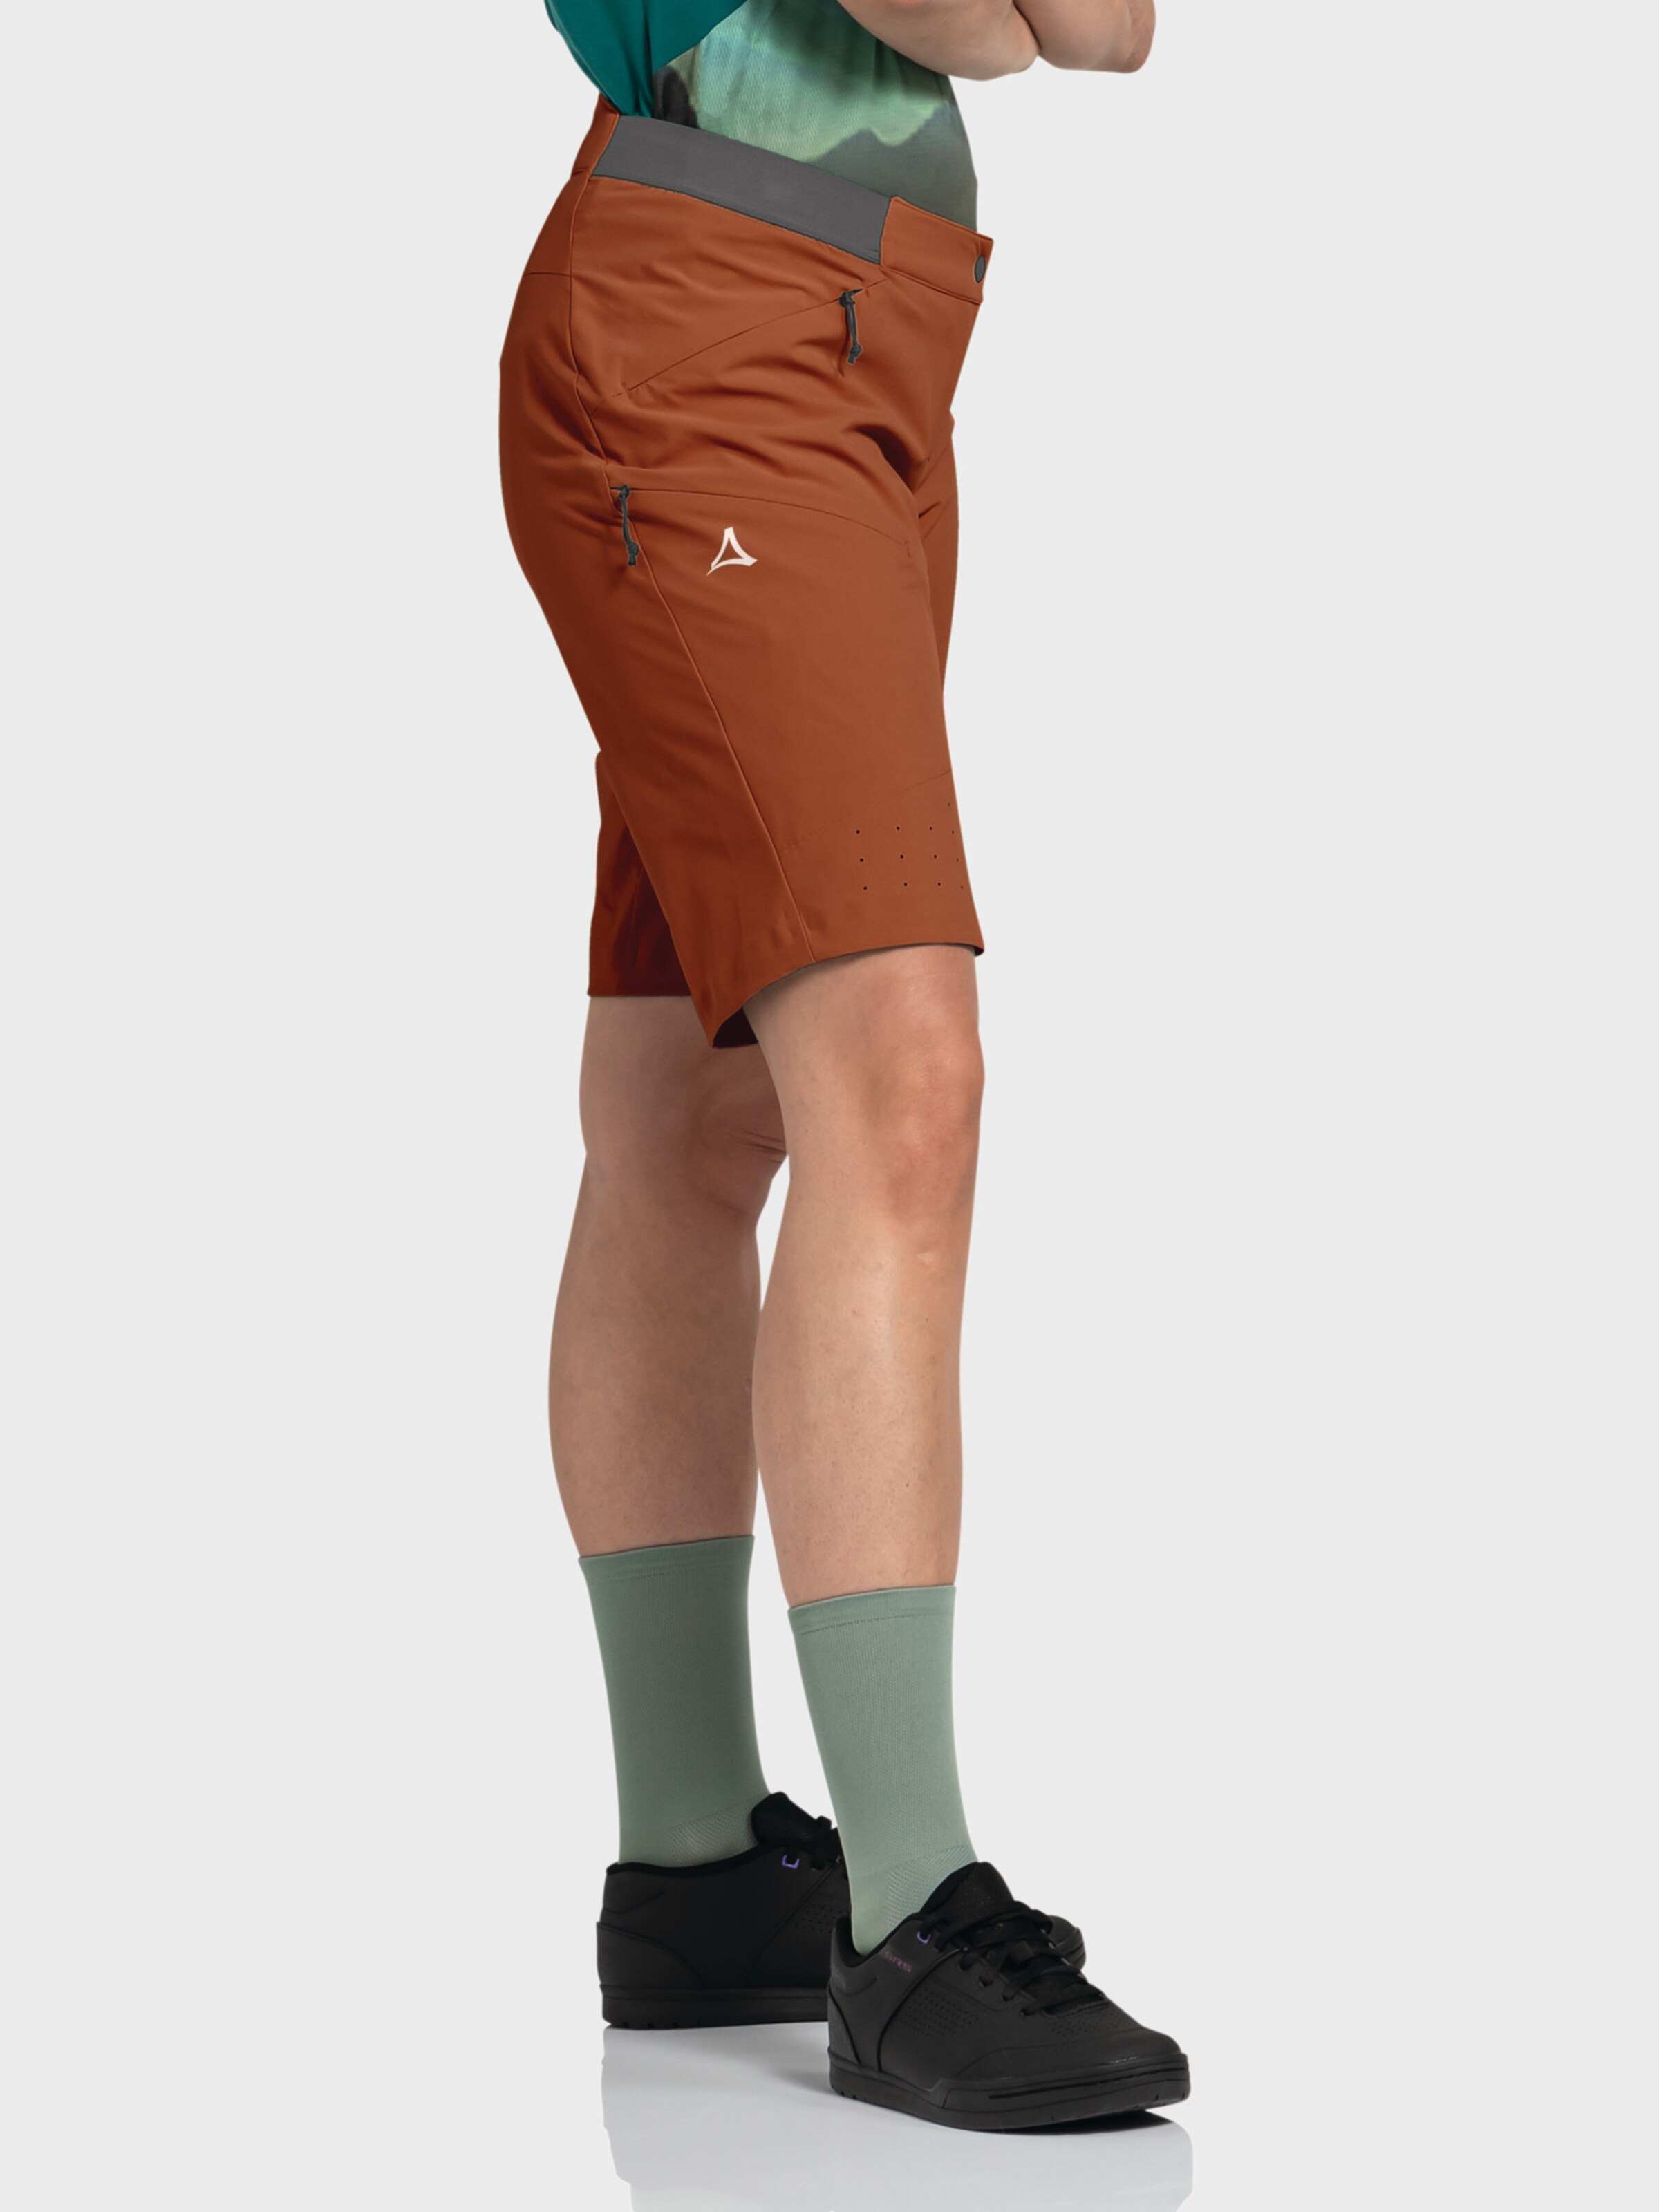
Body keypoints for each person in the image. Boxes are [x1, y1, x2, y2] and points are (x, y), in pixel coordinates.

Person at [498, 0, 1189, 2131]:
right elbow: (966, 18)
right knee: (900, 1068)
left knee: (697, 1101)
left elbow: (1104, 30)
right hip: (700, 343)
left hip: (864, 344)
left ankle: (694, 1865)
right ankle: (909, 1911)